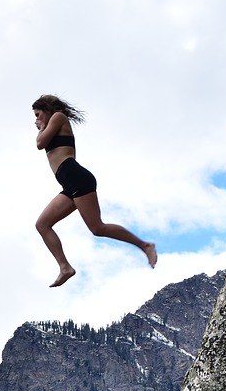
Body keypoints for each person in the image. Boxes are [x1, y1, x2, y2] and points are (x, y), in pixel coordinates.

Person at [33, 94, 157, 287]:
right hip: (69, 184)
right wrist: (42, 127)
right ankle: (65, 267)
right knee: (42, 224)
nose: (36, 119)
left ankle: (145, 245)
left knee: (97, 228)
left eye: (38, 114)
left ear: (47, 110)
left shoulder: (57, 117)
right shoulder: (51, 124)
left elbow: (40, 144)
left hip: (77, 177)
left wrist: (42, 127)